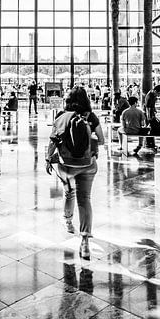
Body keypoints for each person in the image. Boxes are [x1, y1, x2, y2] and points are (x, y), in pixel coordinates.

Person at [47, 86, 105, 260]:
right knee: (85, 199)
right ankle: (85, 241)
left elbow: (53, 141)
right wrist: (90, 144)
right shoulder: (91, 117)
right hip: (87, 164)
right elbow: (101, 140)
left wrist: (48, 158)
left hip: (66, 165)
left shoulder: (61, 116)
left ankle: (68, 220)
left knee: (69, 192)